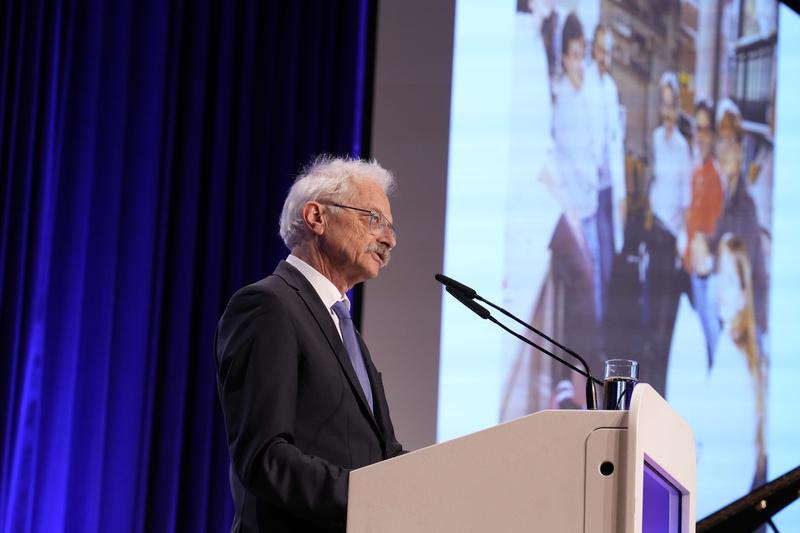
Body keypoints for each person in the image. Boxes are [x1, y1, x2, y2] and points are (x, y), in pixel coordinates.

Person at [214, 156, 405, 532]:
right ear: (316, 217)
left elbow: (383, 454)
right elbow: (265, 458)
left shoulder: (341, 324)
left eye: (391, 228)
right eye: (374, 220)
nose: (389, 240)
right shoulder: (268, 306)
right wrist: (371, 496)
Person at [542, 11, 602, 407]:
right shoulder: (562, 97)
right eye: (573, 55)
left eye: (584, 55)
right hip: (570, 209)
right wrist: (573, 216)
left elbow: (595, 153)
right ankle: (572, 380)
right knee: (582, 288)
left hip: (589, 204)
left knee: (583, 293)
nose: (578, 62)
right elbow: (561, 163)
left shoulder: (586, 94)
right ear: (563, 57)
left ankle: (572, 378)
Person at [695, 233, 766, 516]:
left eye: (730, 282)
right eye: (718, 277)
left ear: (743, 294)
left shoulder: (735, 359)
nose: (720, 290)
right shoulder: (733, 345)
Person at [684, 100, 725, 366]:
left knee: (712, 339)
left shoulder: (716, 175)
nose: (701, 136)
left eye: (706, 129)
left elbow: (717, 229)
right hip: (694, 270)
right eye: (697, 129)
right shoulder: (697, 170)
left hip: (707, 273)